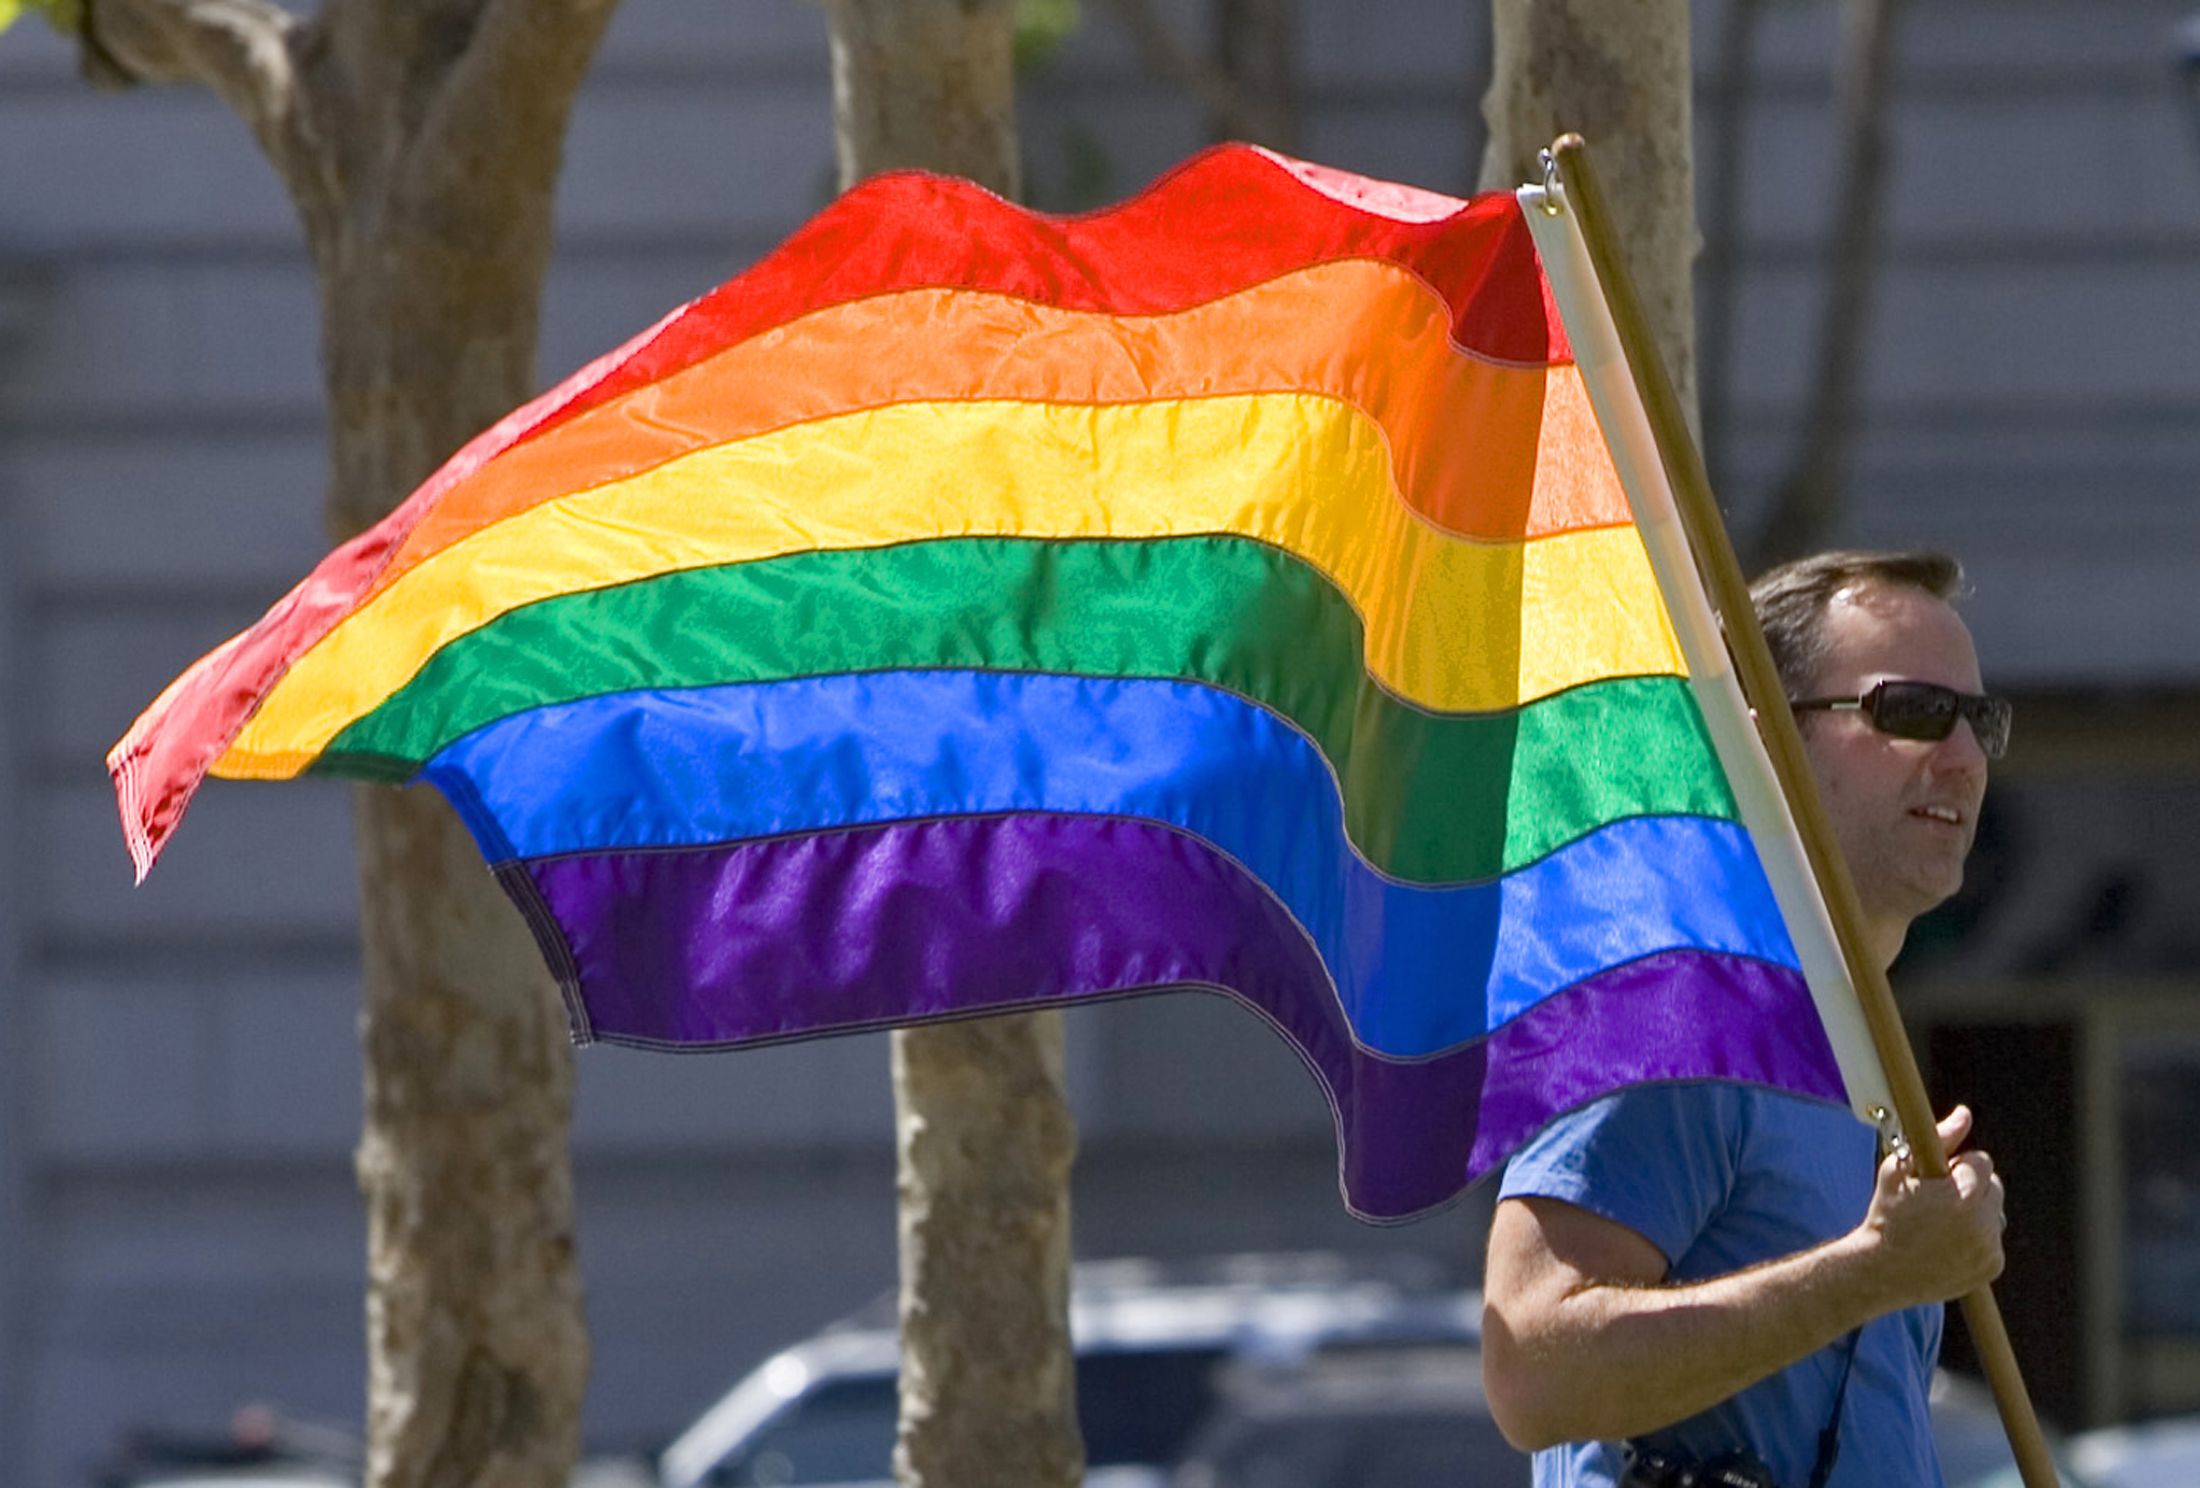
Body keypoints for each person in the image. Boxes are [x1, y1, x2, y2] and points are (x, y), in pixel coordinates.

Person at [1482, 550, 2013, 1488]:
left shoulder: (1861, 1042)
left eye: (1980, 720)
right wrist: (1873, 1271)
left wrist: (1882, 1269)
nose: (1964, 758)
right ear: (1763, 744)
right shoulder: (1676, 1012)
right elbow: (1532, 1366)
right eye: (1913, 713)